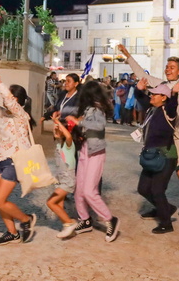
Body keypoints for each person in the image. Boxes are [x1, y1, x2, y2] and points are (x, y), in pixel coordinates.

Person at [119, 38, 179, 228]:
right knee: (158, 175)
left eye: (172, 67)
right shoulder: (161, 84)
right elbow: (141, 74)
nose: (168, 69)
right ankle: (162, 207)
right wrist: (128, 56)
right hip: (165, 139)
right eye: (167, 66)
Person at [0, 73, 38, 245]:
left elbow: (8, 102)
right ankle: (12, 233)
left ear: (16, 100)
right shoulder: (8, 115)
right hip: (0, 161)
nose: (6, 99)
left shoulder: (21, 115)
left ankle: (26, 219)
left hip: (14, 161)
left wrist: (0, 84)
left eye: (10, 96)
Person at [69, 80, 120, 242]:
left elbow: (100, 125)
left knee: (89, 191)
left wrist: (80, 122)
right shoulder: (88, 108)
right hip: (85, 150)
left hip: (96, 152)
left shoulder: (97, 108)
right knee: (79, 190)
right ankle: (84, 220)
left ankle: (110, 219)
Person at [135, 81, 179, 233]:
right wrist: (139, 89)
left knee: (157, 190)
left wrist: (175, 94)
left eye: (155, 94)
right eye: (151, 93)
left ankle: (166, 223)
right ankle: (165, 208)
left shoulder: (168, 110)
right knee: (143, 188)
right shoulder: (152, 109)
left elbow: (174, 105)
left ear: (164, 98)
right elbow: (140, 98)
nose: (151, 96)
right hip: (152, 153)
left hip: (167, 153)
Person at [46, 111, 77, 238]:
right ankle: (68, 226)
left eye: (57, 129)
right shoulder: (59, 144)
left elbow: (68, 136)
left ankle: (69, 224)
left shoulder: (69, 145)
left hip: (67, 181)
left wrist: (58, 122)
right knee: (58, 205)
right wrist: (55, 122)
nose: (55, 130)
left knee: (50, 202)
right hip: (61, 180)